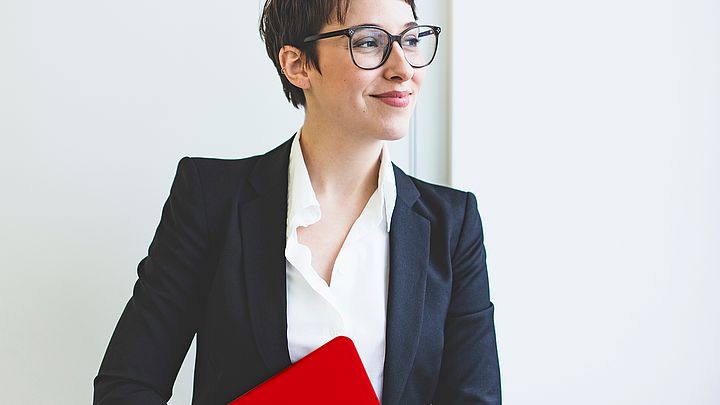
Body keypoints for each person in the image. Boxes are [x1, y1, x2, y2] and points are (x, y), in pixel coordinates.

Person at [93, 0, 501, 403]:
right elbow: (127, 385)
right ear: (297, 64)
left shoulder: (453, 223)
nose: (403, 69)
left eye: (411, 39)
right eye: (368, 43)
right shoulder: (211, 199)